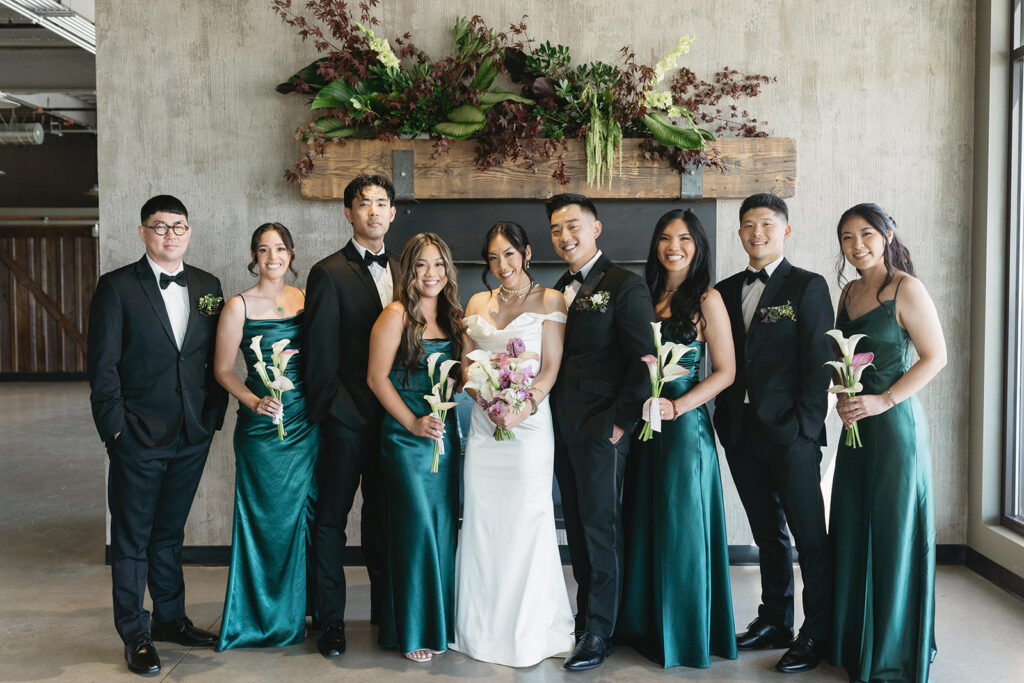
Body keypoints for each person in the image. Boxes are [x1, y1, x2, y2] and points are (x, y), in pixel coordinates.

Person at [87, 195, 228, 674]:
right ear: (143, 232)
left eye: (179, 226)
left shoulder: (209, 286)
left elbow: (215, 361)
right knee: (132, 539)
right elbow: (102, 366)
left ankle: (170, 619)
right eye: (160, 227)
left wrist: (211, 419)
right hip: (137, 435)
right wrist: (116, 432)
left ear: (190, 231)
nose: (170, 235)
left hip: (192, 432)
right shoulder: (117, 287)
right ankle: (135, 632)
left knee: (169, 534)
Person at [712, 193, 834, 674]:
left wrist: (804, 427)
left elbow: (819, 362)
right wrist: (725, 423)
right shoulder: (722, 290)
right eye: (747, 225)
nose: (756, 233)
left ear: (785, 230)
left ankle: (816, 631)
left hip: (792, 434)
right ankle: (775, 620)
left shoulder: (808, 286)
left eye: (766, 224)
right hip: (740, 432)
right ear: (739, 233)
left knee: (809, 538)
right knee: (768, 534)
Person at [830, 203, 945, 683]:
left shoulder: (906, 288)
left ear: (888, 234)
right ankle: (854, 641)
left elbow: (935, 357)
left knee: (894, 534)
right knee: (853, 529)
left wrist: (883, 400)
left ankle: (893, 648)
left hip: (896, 428)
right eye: (847, 237)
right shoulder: (848, 292)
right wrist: (843, 395)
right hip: (856, 429)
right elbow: (841, 357)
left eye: (866, 234)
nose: (857, 245)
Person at [618, 209, 738, 668]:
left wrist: (677, 407)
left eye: (685, 239)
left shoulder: (706, 298)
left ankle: (685, 634)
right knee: (645, 520)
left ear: (698, 245)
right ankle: (643, 626)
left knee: (682, 530)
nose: (674, 246)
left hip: (684, 427)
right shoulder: (644, 293)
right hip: (644, 426)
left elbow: (725, 372)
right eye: (666, 238)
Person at [452, 222, 575, 667]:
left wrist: (522, 408)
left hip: (528, 429)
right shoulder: (477, 302)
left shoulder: (550, 300)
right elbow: (466, 367)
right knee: (484, 523)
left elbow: (550, 370)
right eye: (492, 257)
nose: (501, 265)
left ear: (525, 254)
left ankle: (527, 629)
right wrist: (484, 399)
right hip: (485, 431)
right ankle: (481, 627)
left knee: (526, 521)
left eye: (508, 254)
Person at [547, 193, 655, 672]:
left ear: (596, 228)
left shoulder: (624, 285)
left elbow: (643, 359)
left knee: (601, 527)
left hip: (601, 429)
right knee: (576, 525)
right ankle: (585, 614)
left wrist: (619, 424)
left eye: (572, 225)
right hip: (560, 428)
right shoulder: (556, 286)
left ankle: (600, 631)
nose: (564, 236)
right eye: (555, 230)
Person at [212, 223, 320, 650]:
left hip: (305, 423)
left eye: (279, 248)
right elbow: (223, 370)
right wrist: (255, 400)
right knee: (264, 519)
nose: (272, 256)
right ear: (253, 256)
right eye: (263, 249)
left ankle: (301, 610)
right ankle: (259, 619)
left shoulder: (306, 301)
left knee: (303, 516)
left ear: (291, 254)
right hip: (261, 425)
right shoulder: (238, 306)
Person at [303, 174, 398, 657]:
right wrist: (339, 414)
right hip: (345, 422)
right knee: (331, 523)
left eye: (383, 203)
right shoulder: (328, 272)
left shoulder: (407, 270)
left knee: (384, 523)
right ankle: (331, 622)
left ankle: (387, 616)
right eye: (364, 204)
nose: (374, 211)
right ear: (348, 213)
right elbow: (317, 360)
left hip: (395, 425)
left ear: (393, 213)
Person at [366, 233, 462, 663]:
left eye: (439, 265)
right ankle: (413, 629)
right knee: (415, 530)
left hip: (444, 437)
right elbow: (377, 378)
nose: (431, 274)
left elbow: (463, 376)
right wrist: (412, 422)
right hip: (405, 438)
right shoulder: (395, 315)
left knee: (442, 529)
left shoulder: (455, 316)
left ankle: (440, 621)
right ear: (409, 270)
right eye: (422, 265)